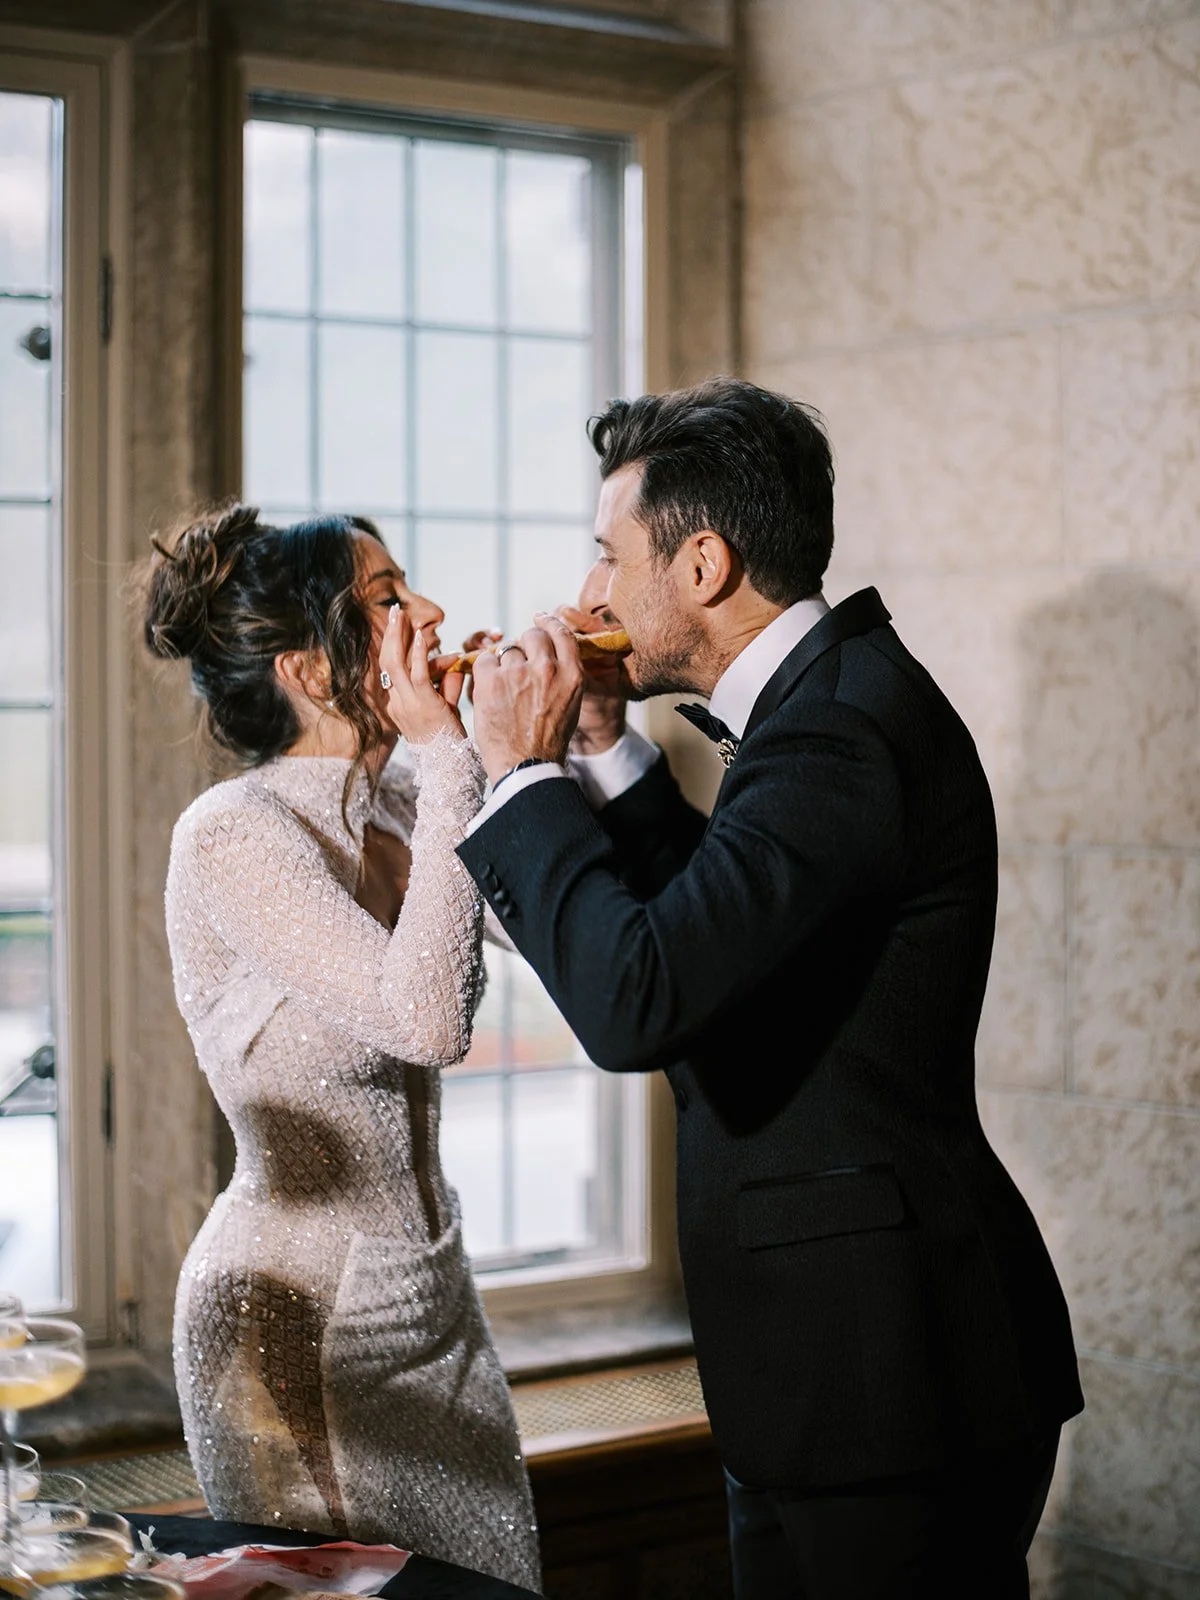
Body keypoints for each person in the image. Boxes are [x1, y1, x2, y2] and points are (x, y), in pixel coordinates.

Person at [456, 378, 1084, 1600]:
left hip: (893, 1380)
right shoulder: (828, 706)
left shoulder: (837, 731)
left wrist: (520, 771)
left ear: (702, 564)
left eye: (609, 553)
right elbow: (722, 940)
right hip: (839, 1373)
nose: (589, 590)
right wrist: (598, 748)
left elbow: (640, 997)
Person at [144, 504, 540, 1594]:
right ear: (312, 671)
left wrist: (552, 744)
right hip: (286, 1326)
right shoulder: (233, 833)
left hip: (436, 1304)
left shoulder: (408, 801)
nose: (432, 612)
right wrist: (451, 756)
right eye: (389, 598)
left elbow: (566, 935)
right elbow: (429, 1020)